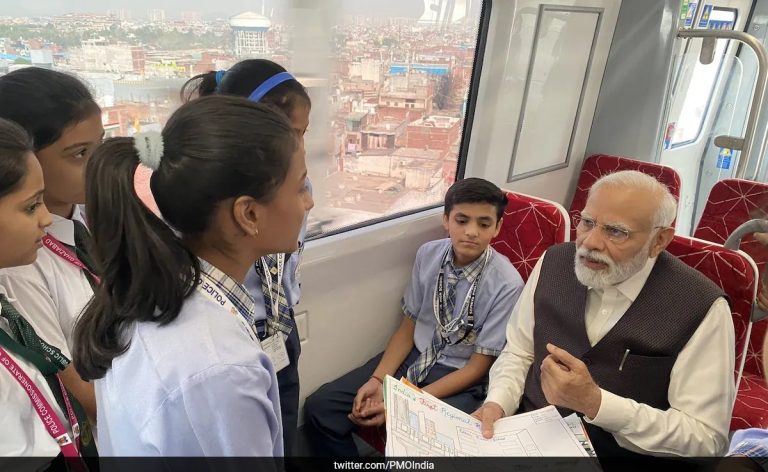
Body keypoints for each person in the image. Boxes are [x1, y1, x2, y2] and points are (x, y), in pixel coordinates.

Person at [72, 95, 314, 456]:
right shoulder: (221, 370)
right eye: (300, 187)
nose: (308, 203)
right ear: (248, 215)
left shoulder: (154, 291)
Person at [473, 170, 735, 460]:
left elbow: (706, 437)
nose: (589, 242)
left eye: (615, 231)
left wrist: (597, 404)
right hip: (530, 441)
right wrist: (497, 403)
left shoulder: (701, 306)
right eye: (587, 222)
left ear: (659, 240)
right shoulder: (553, 261)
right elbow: (520, 352)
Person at [303, 177, 524, 457]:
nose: (471, 232)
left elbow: (477, 367)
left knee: (421, 445)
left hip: (459, 374)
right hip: (415, 356)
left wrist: (404, 402)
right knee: (321, 407)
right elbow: (408, 328)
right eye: (461, 220)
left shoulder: (507, 284)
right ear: (446, 220)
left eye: (483, 223)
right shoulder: (428, 255)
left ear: (497, 227)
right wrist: (377, 380)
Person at [181, 58, 312, 455]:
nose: (300, 146)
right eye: (293, 133)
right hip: (239, 329)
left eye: (305, 133)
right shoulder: (205, 196)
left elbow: (290, 257)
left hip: (278, 327)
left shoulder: (291, 178)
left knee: (283, 436)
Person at [0, 67, 104, 424]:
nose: (96, 165)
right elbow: (67, 379)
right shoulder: (18, 261)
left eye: (99, 147)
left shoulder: (94, 215)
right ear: (24, 157)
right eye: (78, 154)